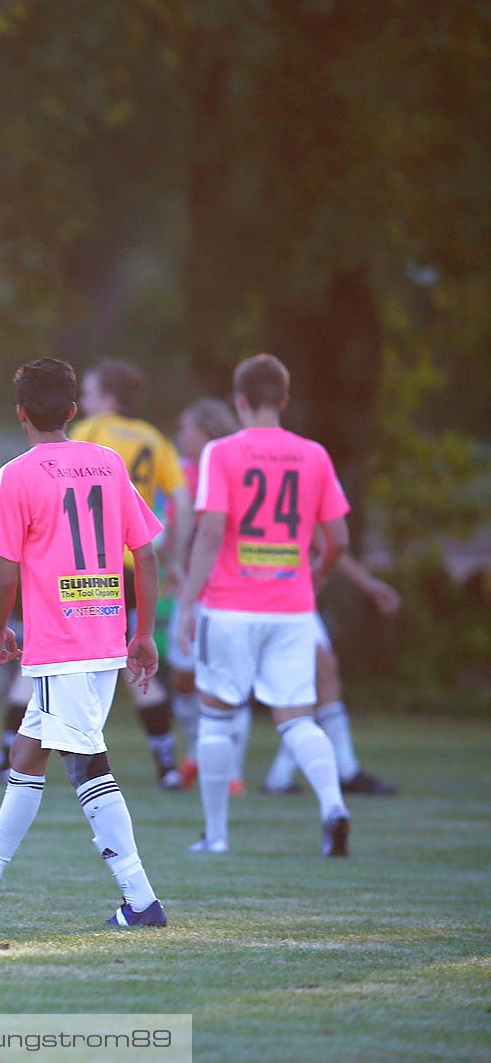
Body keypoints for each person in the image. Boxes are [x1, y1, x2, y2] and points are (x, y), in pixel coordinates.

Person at [0, 358, 167, 928]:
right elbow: (147, 554)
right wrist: (141, 632)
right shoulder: (108, 464)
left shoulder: (16, 474)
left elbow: (6, 570)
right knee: (26, 756)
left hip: (63, 645)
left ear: (19, 414)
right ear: (72, 411)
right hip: (103, 632)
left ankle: (141, 901)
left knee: (88, 764)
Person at [175, 353, 353, 856]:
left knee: (215, 717)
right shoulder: (314, 455)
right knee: (297, 718)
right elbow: (336, 536)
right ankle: (333, 807)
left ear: (240, 401)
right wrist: (317, 572)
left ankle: (215, 835)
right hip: (291, 608)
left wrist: (188, 603)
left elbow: (211, 532)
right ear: (285, 400)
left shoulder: (221, 453)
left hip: (230, 607)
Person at [71, 359, 193, 788]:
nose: (82, 401)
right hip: (136, 567)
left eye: (87, 392)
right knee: (133, 664)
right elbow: (181, 500)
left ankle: (8, 761)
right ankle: (166, 767)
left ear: (106, 397)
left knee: (53, 658)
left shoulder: (92, 431)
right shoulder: (154, 438)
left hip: (91, 568)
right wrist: (175, 559)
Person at [258, 540, 401, 796]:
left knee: (322, 675)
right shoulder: (297, 499)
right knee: (309, 680)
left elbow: (328, 542)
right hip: (271, 594)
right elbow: (332, 539)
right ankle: (291, 776)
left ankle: (295, 775)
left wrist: (367, 584)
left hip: (277, 592)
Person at [169, 397, 248, 793]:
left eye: (187, 428)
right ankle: (198, 755)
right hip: (187, 585)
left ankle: (231, 771)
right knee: (184, 676)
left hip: (225, 589)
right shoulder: (180, 473)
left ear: (207, 432)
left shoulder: (231, 469)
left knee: (224, 678)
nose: (181, 435)